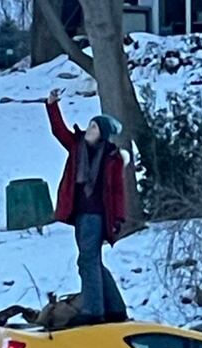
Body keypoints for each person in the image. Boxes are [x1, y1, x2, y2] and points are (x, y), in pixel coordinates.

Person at [44, 88, 129, 326]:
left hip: (97, 215)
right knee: (92, 261)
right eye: (90, 125)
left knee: (87, 261)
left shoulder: (111, 157)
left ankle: (94, 310)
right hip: (80, 214)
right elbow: (58, 130)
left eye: (93, 127)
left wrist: (118, 219)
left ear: (101, 134)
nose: (89, 129)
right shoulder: (77, 146)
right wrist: (52, 105)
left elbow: (117, 191)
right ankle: (115, 308)